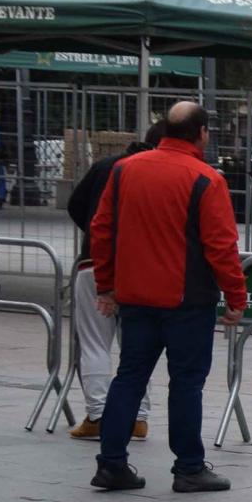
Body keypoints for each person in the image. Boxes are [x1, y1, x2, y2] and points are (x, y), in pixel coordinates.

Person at [87, 102, 247, 494]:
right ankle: (189, 467)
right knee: (186, 384)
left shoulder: (126, 169)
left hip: (136, 297)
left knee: (129, 377)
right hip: (186, 301)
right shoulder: (206, 179)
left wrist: (106, 285)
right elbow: (221, 246)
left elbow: (101, 228)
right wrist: (236, 296)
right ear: (203, 133)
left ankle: (111, 464)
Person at [65, 125, 157, 441]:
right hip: (139, 268)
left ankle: (99, 414)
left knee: (94, 342)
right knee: (136, 346)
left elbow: (76, 205)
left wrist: (92, 233)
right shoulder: (160, 172)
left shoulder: (106, 166)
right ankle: (138, 417)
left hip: (94, 262)